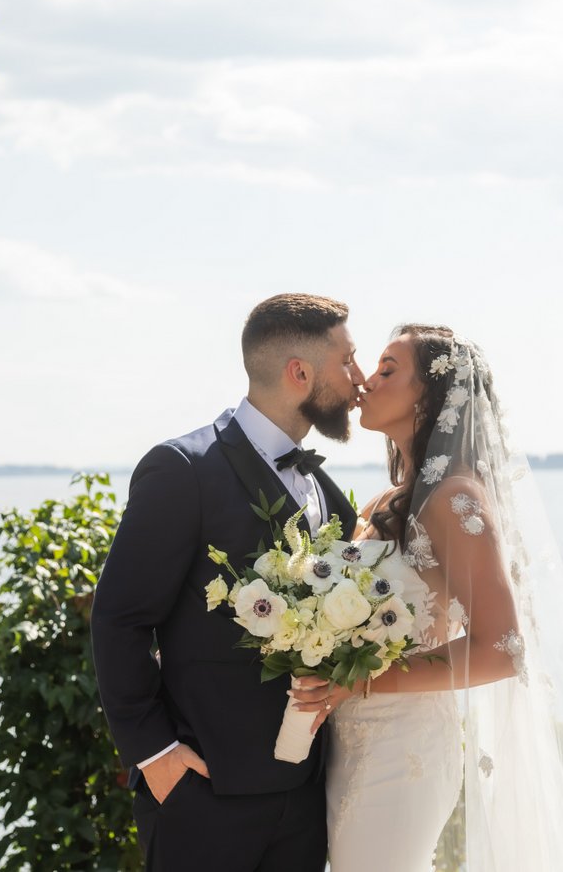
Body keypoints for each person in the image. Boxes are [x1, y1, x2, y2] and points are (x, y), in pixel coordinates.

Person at [289, 324, 563, 872]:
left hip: (401, 751)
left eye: (387, 370)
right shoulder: (386, 501)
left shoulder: (454, 497)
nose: (366, 382)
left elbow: (501, 650)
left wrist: (357, 679)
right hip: (350, 743)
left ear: (429, 397)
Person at [91, 292, 365, 871]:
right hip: (204, 794)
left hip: (306, 795)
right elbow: (120, 619)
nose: (358, 378)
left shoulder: (329, 494)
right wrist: (157, 756)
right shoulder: (183, 470)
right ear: (299, 373)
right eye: (347, 360)